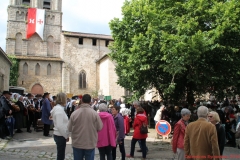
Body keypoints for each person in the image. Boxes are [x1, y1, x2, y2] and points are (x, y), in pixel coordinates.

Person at [68, 94, 103, 160]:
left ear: (81, 100)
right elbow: (100, 127)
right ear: (90, 102)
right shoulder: (94, 114)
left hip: (77, 142)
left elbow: (69, 128)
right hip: (90, 142)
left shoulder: (74, 113)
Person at [50, 93, 70, 160]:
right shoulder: (59, 109)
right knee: (60, 155)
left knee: (61, 154)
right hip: (60, 135)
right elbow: (59, 125)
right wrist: (66, 135)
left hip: (60, 134)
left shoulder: (59, 108)